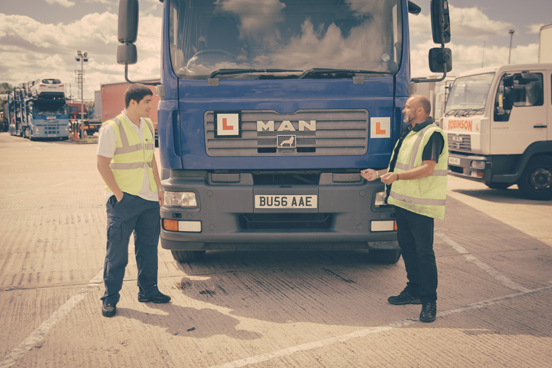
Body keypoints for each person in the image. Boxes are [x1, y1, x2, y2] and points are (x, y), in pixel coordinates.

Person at [361, 95, 448, 323]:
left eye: (407, 107)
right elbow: (397, 166)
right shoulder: (409, 133)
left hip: (421, 205)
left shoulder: (433, 134)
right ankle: (413, 291)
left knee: (424, 253)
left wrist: (396, 176)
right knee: (408, 250)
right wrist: (378, 174)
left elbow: (428, 169)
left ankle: (429, 301)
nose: (403, 110)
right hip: (402, 202)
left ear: (420, 110)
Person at [96, 83, 170, 318]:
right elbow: (102, 164)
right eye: (148, 102)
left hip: (148, 197)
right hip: (125, 199)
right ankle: (110, 298)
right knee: (117, 252)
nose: (152, 106)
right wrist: (118, 195)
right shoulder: (112, 128)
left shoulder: (147, 125)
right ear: (133, 103)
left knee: (148, 249)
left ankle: (148, 291)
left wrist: (158, 188)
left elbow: (150, 160)